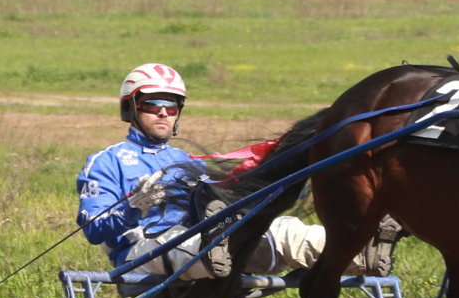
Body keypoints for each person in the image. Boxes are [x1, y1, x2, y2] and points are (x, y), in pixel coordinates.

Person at [77, 63, 396, 282]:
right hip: (140, 251)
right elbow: (93, 230)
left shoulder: (188, 161)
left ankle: (360, 250)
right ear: (131, 108)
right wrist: (134, 207)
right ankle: (216, 245)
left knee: (285, 228)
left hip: (206, 238)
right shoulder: (106, 162)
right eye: (153, 104)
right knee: (199, 239)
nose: (163, 112)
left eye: (172, 106)